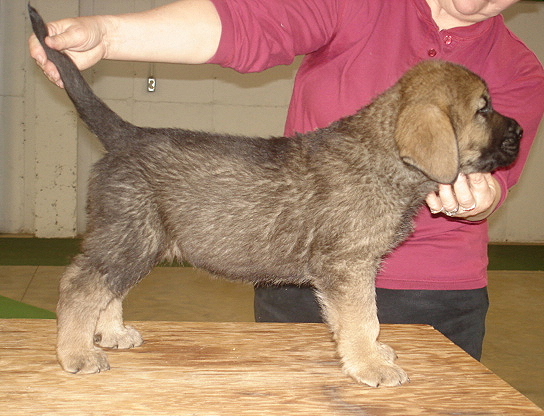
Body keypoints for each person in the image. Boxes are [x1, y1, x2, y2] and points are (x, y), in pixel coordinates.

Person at [30, 0, 544, 360]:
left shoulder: (520, 66)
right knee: (123, 254)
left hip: (442, 295)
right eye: (483, 111)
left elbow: (501, 166)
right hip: (290, 285)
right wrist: (109, 32)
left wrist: (483, 193)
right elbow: (246, 23)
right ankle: (86, 321)